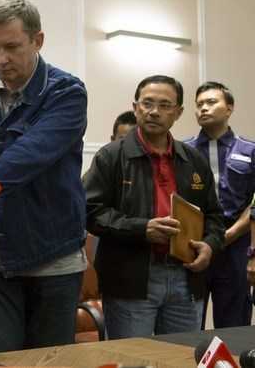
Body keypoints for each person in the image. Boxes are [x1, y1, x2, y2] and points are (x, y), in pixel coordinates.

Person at [0, 0, 88, 354]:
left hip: (51, 262)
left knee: (48, 363)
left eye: (12, 47)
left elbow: (21, 162)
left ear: (37, 40)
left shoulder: (67, 93)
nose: (0, 59)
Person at [83, 75, 225, 339]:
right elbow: (90, 211)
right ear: (135, 107)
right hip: (131, 280)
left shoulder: (193, 159)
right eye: (147, 103)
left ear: (178, 112)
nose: (154, 112)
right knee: (132, 357)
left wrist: (210, 245)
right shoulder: (111, 156)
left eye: (164, 105)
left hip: (186, 278)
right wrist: (142, 229)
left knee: (180, 356)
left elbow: (214, 216)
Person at [185, 81, 255, 328]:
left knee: (234, 324)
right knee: (188, 323)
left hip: (236, 245)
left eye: (211, 102)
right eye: (199, 104)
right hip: (194, 244)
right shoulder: (184, 150)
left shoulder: (250, 150)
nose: (203, 108)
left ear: (229, 108)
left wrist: (229, 235)